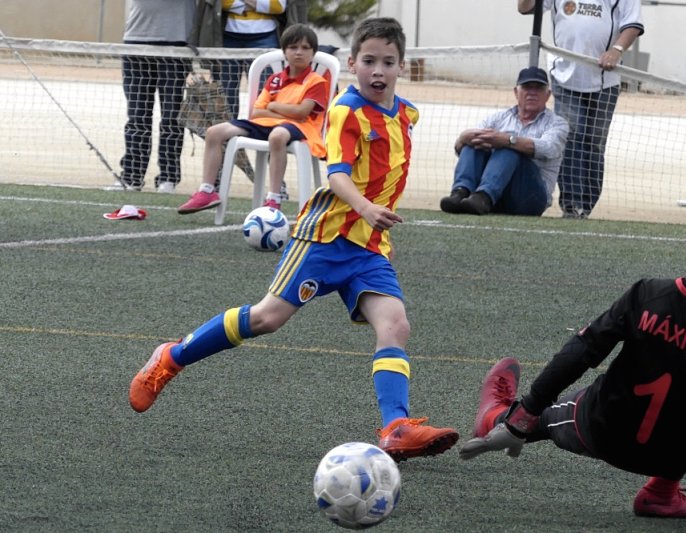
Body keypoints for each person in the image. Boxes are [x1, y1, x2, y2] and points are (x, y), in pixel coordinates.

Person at [129, 17, 460, 462]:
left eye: (388, 62)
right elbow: (338, 175)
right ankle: (171, 357)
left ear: (402, 66)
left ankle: (396, 427)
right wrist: (364, 209)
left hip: (366, 248)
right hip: (323, 238)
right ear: (351, 63)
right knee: (267, 319)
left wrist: (372, 226)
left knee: (395, 325)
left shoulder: (407, 113)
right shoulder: (346, 110)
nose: (377, 71)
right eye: (368, 61)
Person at [460, 205, 686, 518]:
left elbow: (581, 352)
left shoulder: (646, 293)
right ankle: (662, 491)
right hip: (676, 452)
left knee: (551, 416)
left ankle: (495, 419)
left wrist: (525, 415)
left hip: (599, 431)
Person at [177, 23, 327, 214]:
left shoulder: (316, 81)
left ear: (313, 53)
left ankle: (274, 198)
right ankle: (207, 191)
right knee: (214, 132)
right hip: (264, 124)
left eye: (305, 48)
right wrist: (281, 110)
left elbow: (301, 114)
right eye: (293, 47)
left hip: (301, 127)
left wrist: (273, 106)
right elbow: (256, 112)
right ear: (284, 51)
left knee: (277, 136)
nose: (299, 52)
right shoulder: (274, 79)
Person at [518, 0, 644, 219]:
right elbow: (525, 7)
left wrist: (616, 50)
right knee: (571, 138)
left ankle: (586, 203)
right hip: (565, 76)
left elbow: (633, 24)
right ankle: (572, 204)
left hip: (605, 80)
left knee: (595, 144)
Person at [439, 66, 568, 216]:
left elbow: (548, 148)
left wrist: (509, 140)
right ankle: (460, 193)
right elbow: (465, 150)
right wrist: (463, 138)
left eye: (538, 88)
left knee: (508, 148)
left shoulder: (557, 123)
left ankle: (484, 196)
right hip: (494, 196)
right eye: (526, 87)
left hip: (530, 198)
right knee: (475, 142)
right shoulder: (498, 118)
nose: (532, 92)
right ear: (516, 92)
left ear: (547, 95)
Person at [118, 0, 195, 193]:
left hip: (175, 45)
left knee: (172, 118)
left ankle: (168, 178)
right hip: (136, 44)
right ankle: (132, 177)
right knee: (137, 117)